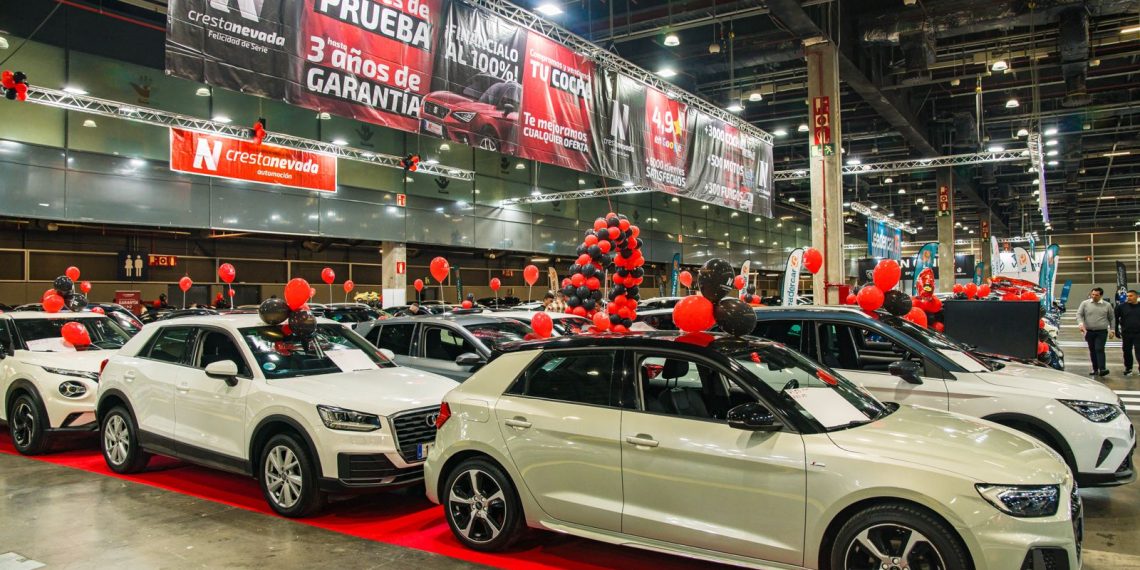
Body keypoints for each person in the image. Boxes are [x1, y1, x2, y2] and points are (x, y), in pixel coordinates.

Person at [1077, 287, 1115, 377]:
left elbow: (1112, 318)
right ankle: (1095, 369)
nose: (1094, 296)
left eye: (1096, 295)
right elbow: (1079, 314)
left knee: (1099, 349)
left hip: (1101, 332)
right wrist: (1080, 324)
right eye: (1092, 294)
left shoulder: (1107, 305)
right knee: (1092, 350)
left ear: (1101, 295)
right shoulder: (1085, 303)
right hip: (1089, 332)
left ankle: (1102, 368)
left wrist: (1112, 330)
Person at [1116, 289, 1140, 376]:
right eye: (1127, 296)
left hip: (1138, 333)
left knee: (1139, 351)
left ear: (1137, 297)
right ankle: (1128, 368)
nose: (1128, 298)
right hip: (1126, 333)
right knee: (1126, 351)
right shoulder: (1121, 307)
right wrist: (1116, 331)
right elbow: (1116, 320)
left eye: (1131, 296)